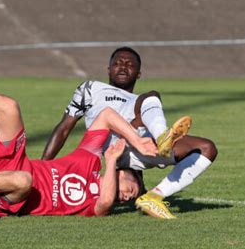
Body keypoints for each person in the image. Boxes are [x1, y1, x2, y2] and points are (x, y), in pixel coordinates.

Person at [0, 56, 159, 218]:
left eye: (130, 198)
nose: (128, 196)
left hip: (16, 195)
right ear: (128, 173)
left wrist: (112, 159)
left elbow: (105, 204)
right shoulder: (89, 160)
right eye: (133, 188)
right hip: (12, 165)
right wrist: (137, 142)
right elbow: (106, 115)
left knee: (23, 180)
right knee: (8, 106)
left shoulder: (93, 203)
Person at [42, 47, 218, 219]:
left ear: (139, 73)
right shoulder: (91, 89)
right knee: (151, 96)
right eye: (118, 63)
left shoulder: (142, 103)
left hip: (140, 149)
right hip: (111, 144)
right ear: (109, 69)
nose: (123, 67)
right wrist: (43, 168)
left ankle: (154, 196)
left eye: (129, 64)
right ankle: (162, 136)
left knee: (207, 148)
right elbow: (64, 128)